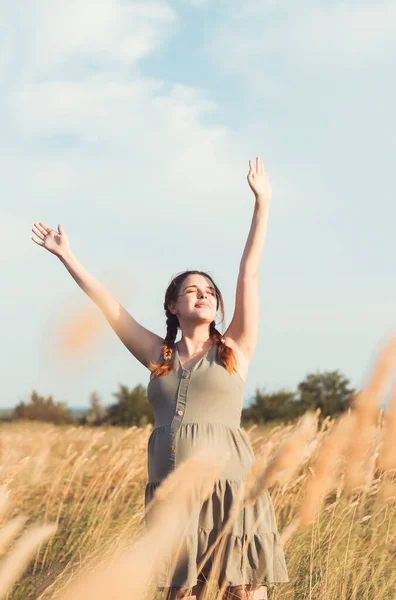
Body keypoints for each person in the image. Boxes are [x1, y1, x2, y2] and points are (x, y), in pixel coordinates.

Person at [31, 157, 289, 600]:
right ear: (172, 305)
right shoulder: (159, 356)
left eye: (209, 292)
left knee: (242, 593)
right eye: (192, 290)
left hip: (229, 492)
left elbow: (249, 270)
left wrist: (262, 203)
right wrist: (67, 255)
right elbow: (108, 306)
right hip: (172, 499)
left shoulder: (235, 350)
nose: (202, 295)